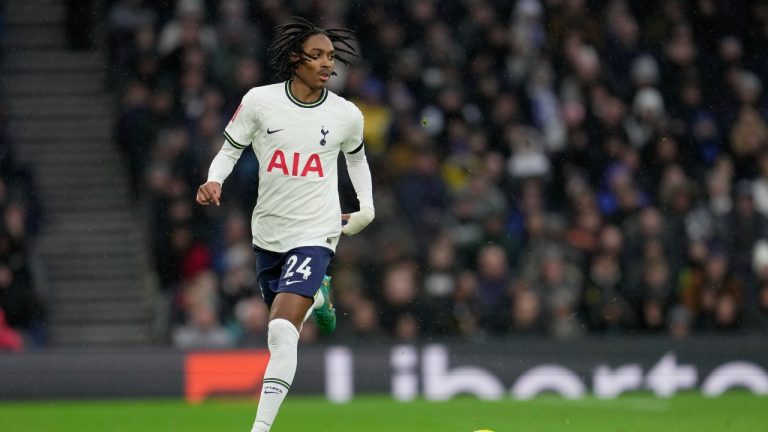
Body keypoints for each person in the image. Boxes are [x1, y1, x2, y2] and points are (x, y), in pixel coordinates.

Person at [195, 17, 374, 432]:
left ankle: (260, 429)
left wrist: (365, 207)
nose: (327, 64)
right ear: (295, 59)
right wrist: (213, 179)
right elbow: (230, 148)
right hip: (269, 235)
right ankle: (320, 298)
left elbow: (358, 160)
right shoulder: (260, 102)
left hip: (317, 231)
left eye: (331, 56)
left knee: (278, 330)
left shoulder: (346, 114)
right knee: (286, 323)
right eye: (317, 56)